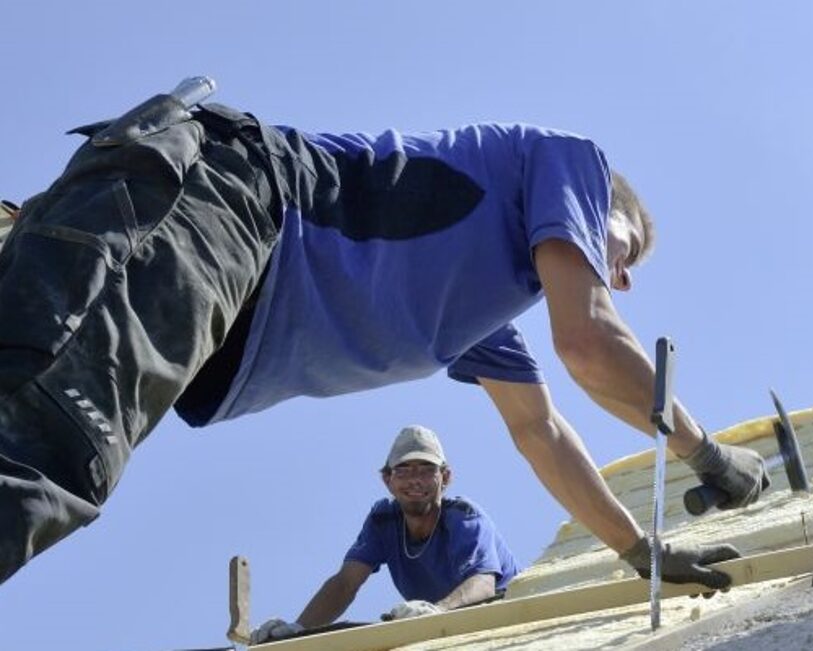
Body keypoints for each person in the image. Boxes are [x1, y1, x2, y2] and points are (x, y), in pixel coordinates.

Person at [0, 90, 766, 590]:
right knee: (46, 448)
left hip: (204, 265)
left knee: (44, 448)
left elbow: (541, 431)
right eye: (624, 250)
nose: (619, 276)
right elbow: (591, 344)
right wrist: (708, 455)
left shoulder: (471, 312)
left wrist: (639, 552)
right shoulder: (572, 159)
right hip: (219, 208)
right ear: (603, 203)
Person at [252, 426, 518, 643]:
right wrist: (297, 630)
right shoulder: (383, 521)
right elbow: (346, 582)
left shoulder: (463, 516)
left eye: (427, 470)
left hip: (505, 622)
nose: (415, 480)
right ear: (387, 480)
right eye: (403, 470)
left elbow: (483, 584)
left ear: (445, 478)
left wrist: (439, 612)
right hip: (444, 632)